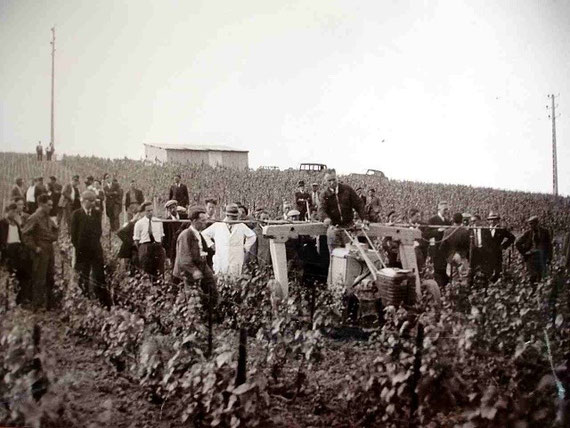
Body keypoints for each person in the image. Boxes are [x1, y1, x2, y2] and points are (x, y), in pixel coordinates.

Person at [173, 207, 218, 314]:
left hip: (201, 264)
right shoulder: (186, 235)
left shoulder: (199, 233)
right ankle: (192, 316)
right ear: (194, 221)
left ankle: (210, 315)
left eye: (206, 220)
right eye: (202, 221)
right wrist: (194, 271)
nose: (205, 223)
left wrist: (208, 270)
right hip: (188, 269)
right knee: (193, 294)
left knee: (212, 289)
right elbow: (184, 259)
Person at [71, 191, 111, 308]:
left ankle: (103, 302)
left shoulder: (97, 213)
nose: (94, 204)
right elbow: (74, 235)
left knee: (99, 275)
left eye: (94, 201)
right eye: (92, 201)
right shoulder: (76, 215)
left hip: (95, 250)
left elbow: (98, 231)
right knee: (83, 275)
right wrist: (79, 248)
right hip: (82, 251)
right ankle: (84, 300)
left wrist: (94, 245)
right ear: (85, 201)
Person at [22, 194, 58, 310]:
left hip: (49, 249)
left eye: (52, 205)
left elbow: (55, 230)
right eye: (48, 205)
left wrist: (54, 234)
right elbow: (26, 235)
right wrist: (35, 248)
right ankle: (37, 305)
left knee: (50, 277)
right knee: (39, 278)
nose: (51, 207)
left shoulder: (48, 217)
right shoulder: (34, 217)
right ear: (41, 205)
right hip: (40, 250)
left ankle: (49, 304)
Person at [318, 169, 366, 253]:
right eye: (329, 180)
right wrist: (325, 218)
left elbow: (359, 204)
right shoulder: (324, 194)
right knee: (335, 253)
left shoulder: (347, 190)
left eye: (334, 179)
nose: (332, 182)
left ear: (337, 178)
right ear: (325, 181)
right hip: (334, 227)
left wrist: (364, 218)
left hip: (348, 226)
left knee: (351, 253)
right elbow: (321, 209)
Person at [202, 204, 256, 276]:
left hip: (236, 257)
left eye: (235, 217)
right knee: (221, 279)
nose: (234, 219)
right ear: (227, 216)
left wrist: (246, 247)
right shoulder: (218, 225)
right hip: (221, 257)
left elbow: (252, 236)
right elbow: (204, 234)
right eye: (232, 217)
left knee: (235, 280)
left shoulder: (241, 225)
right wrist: (211, 244)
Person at [0, 203, 31, 305]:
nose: (13, 213)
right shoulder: (2, 223)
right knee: (9, 274)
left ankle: (21, 298)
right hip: (8, 250)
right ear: (7, 211)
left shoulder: (16, 224)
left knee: (22, 273)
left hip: (18, 250)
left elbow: (20, 238)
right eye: (11, 211)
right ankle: (8, 300)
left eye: (15, 211)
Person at [516, 216, 552, 283]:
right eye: (530, 224)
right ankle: (532, 289)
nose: (531, 225)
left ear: (537, 223)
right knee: (532, 275)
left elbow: (549, 245)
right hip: (531, 257)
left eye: (532, 223)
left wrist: (549, 258)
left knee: (541, 276)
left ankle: (538, 291)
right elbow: (517, 243)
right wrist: (524, 252)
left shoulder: (545, 232)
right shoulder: (528, 233)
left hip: (541, 256)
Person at [133, 202, 165, 277]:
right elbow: (136, 240)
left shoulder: (158, 221)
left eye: (151, 210)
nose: (150, 212)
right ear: (144, 212)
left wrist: (158, 246)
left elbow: (161, 236)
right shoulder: (139, 223)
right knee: (147, 272)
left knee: (159, 271)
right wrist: (143, 249)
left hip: (157, 247)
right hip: (145, 248)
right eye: (148, 211)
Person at [426, 201, 452, 288]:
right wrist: (438, 230)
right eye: (445, 209)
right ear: (439, 209)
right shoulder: (432, 220)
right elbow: (427, 234)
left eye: (447, 209)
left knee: (445, 272)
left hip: (445, 251)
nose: (446, 211)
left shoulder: (448, 222)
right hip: (436, 250)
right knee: (437, 272)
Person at [440, 213, 471, 284]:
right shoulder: (465, 232)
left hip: (451, 257)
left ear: (453, 220)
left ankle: (453, 292)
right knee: (463, 278)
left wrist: (448, 256)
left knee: (453, 278)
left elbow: (442, 246)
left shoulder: (447, 231)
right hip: (462, 257)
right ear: (462, 220)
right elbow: (470, 246)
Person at [484, 211, 515, 281]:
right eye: (491, 219)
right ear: (489, 221)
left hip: (497, 253)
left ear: (497, 220)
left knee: (497, 271)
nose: (492, 221)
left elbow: (512, 237)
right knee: (488, 271)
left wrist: (503, 246)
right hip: (487, 254)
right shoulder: (485, 230)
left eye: (494, 219)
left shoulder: (501, 230)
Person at [117, 204, 142, 275]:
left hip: (137, 248)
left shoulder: (141, 223)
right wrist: (131, 242)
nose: (138, 217)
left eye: (139, 215)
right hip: (128, 250)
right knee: (128, 266)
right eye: (137, 215)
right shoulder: (129, 224)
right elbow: (119, 233)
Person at [163, 200, 181, 267]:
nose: (173, 210)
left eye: (174, 207)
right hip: (173, 247)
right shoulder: (166, 221)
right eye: (170, 208)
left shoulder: (184, 217)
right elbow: (166, 237)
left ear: (177, 207)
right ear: (168, 210)